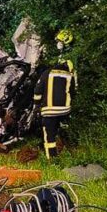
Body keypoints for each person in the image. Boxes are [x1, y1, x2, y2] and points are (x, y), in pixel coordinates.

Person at [32, 29, 76, 160]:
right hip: (65, 110)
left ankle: (52, 159)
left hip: (49, 111)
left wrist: (36, 106)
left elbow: (37, 91)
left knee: (49, 135)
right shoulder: (69, 75)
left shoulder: (47, 73)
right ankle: (70, 150)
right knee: (61, 129)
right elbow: (72, 92)